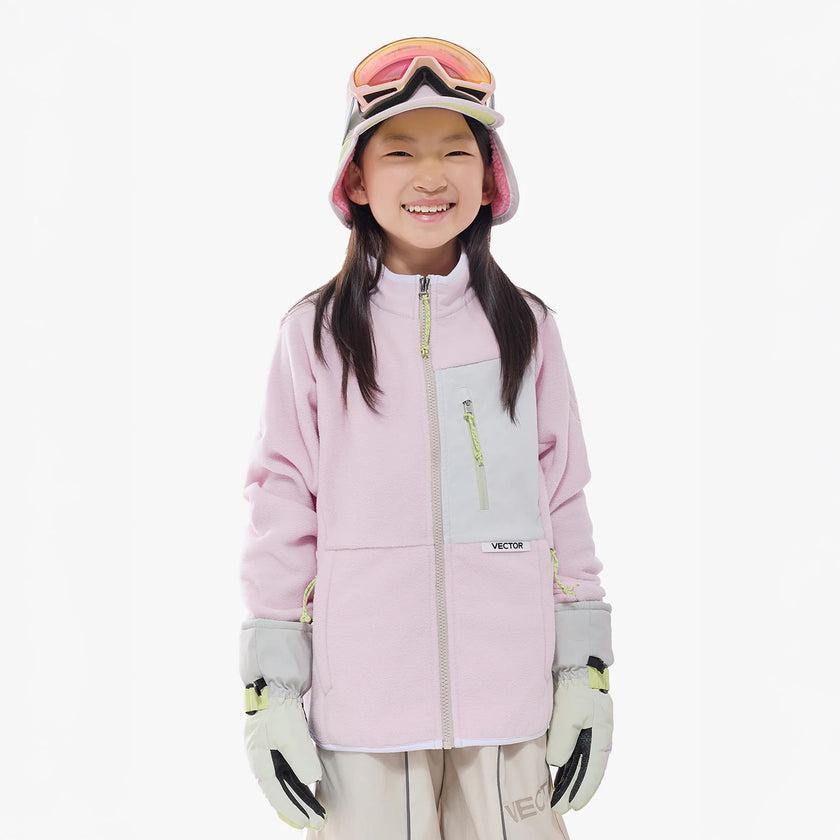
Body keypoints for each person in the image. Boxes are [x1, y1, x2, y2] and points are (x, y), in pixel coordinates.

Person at [238, 37, 614, 840]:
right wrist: (271, 693)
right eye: (401, 152)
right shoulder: (314, 335)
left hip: (509, 711)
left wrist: (585, 671)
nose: (431, 175)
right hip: (364, 717)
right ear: (357, 180)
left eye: (456, 151)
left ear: (491, 179)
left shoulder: (527, 329)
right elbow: (281, 507)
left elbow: (563, 498)